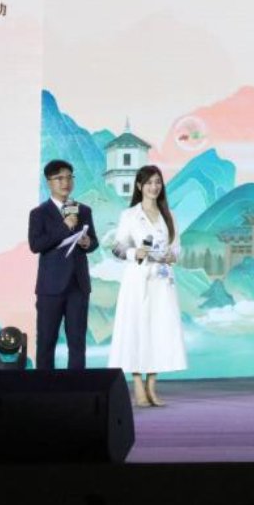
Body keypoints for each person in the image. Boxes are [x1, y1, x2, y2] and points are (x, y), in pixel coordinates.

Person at [109, 164, 188, 406]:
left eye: (158, 182)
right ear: (139, 186)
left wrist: (173, 255)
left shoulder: (168, 214)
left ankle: (152, 385)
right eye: (149, 183)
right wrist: (135, 252)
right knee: (136, 328)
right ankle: (137, 385)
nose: (154, 187)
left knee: (159, 329)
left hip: (162, 280)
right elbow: (117, 247)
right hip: (138, 279)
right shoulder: (129, 215)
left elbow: (177, 246)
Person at [28, 159, 95, 370]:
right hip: (50, 287)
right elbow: (36, 245)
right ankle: (44, 387)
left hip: (78, 285)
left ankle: (76, 386)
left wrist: (87, 242)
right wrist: (64, 227)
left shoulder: (84, 210)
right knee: (46, 341)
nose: (65, 182)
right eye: (59, 178)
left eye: (69, 177)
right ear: (49, 182)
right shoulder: (39, 213)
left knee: (77, 342)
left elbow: (94, 242)